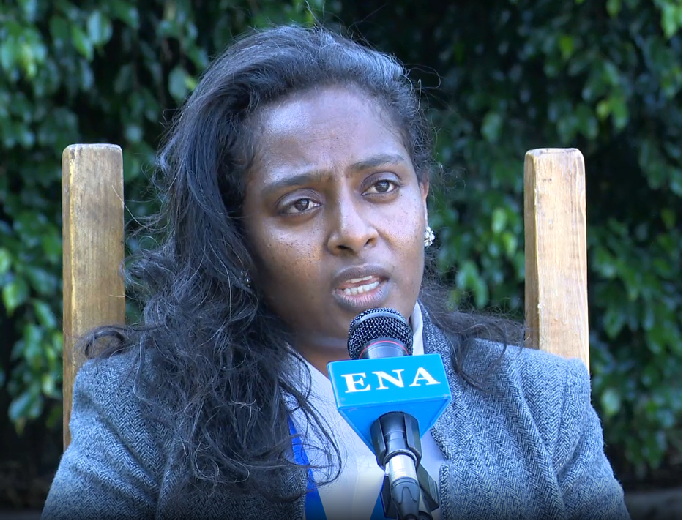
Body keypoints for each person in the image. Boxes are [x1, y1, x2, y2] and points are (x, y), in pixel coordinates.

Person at [42, 25, 631, 520]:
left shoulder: (542, 403)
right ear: (237, 240)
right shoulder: (141, 411)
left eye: (382, 186)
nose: (353, 230)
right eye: (300, 203)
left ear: (423, 198)